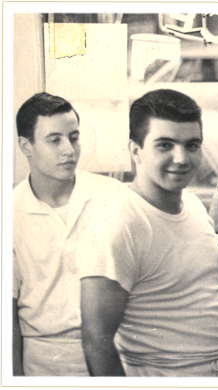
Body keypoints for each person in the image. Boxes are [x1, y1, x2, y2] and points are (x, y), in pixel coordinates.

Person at [76, 89, 218, 376]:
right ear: (135, 151)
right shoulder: (117, 224)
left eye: (192, 145)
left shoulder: (189, 202)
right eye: (165, 145)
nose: (181, 158)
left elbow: (198, 265)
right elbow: (96, 341)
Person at [12, 92, 127, 376]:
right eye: (55, 140)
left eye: (74, 137)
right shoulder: (9, 214)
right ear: (26, 146)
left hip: (114, 352)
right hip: (45, 362)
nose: (69, 150)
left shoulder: (112, 195)